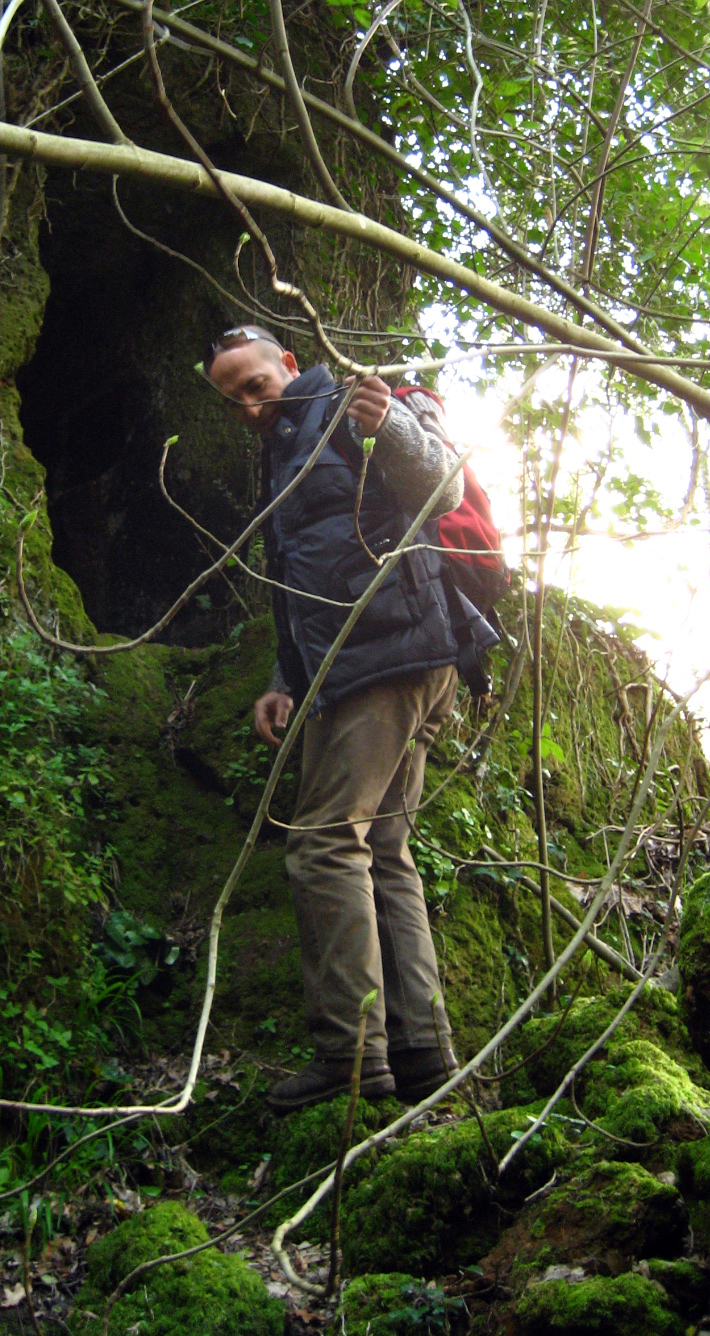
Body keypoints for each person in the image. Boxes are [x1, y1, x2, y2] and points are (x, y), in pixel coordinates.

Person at [203, 325, 497, 1111]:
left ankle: (350, 1056)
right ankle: (422, 1053)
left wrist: (386, 426)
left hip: (388, 659)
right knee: (385, 849)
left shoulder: (344, 405)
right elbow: (308, 575)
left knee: (323, 845)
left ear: (289, 365)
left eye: (255, 383)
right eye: (232, 396)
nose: (247, 403)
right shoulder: (287, 445)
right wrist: (284, 678)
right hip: (396, 659)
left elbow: (444, 489)